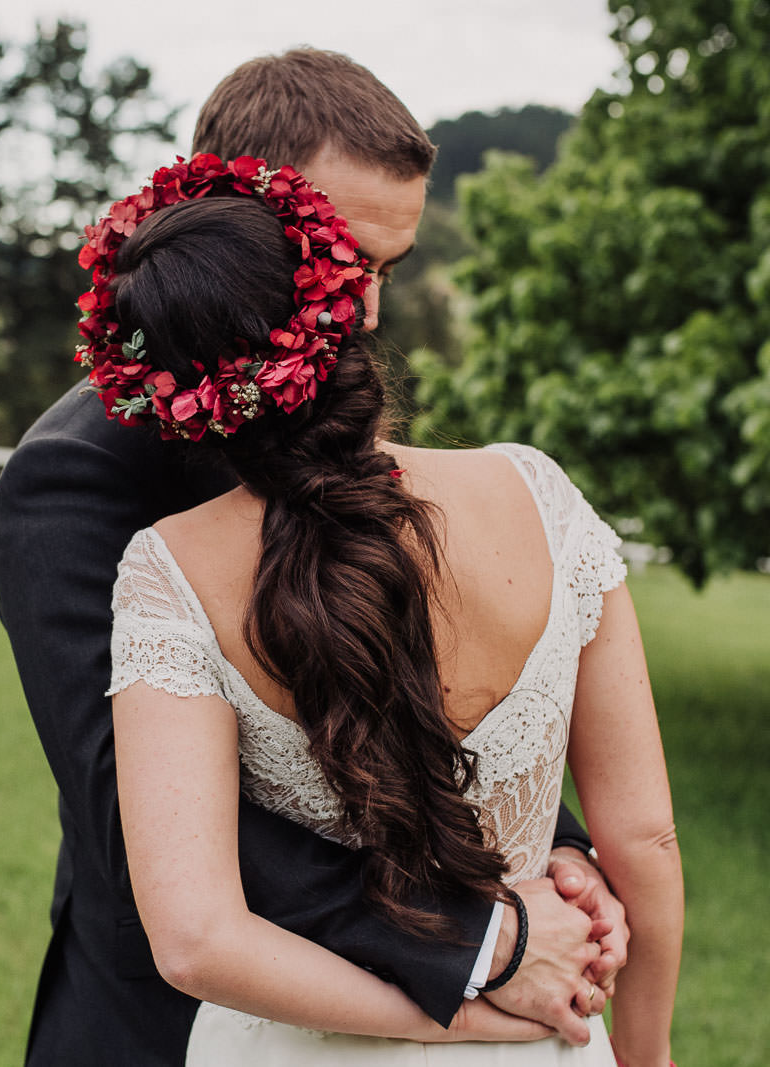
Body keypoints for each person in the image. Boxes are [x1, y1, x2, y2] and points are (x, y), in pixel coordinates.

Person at [0, 50, 635, 1065]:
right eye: (346, 261)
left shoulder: (363, 437)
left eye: (388, 268)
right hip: (182, 1011)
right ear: (230, 207)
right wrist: (482, 937)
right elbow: (129, 809)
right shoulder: (73, 481)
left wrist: (549, 844)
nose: (367, 311)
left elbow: (435, 673)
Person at [94, 162, 682, 1062]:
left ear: (174, 389)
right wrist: (643, 1052)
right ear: (347, 307)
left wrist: (447, 1008)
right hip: (546, 1037)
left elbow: (198, 940)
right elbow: (642, 837)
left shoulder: (169, 570)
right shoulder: (538, 494)